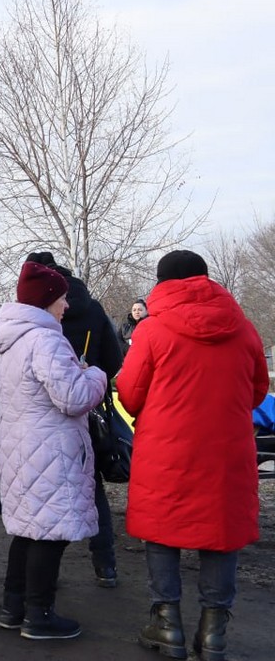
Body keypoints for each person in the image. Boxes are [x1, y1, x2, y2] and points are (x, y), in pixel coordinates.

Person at [117, 250, 268, 661]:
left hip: (166, 451)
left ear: (162, 285)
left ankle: (167, 625)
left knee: (162, 530)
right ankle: (214, 629)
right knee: (221, 533)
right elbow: (256, 391)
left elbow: (129, 395)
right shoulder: (244, 329)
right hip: (227, 450)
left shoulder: (151, 331)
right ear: (207, 279)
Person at [0, 261, 107, 641]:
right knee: (49, 533)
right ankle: (39, 615)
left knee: (27, 530)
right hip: (48, 449)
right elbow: (73, 398)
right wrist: (95, 374)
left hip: (19, 447)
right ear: (47, 301)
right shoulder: (45, 339)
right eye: (62, 299)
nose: (66, 306)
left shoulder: (11, 340)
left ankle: (14, 606)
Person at [26, 250, 124, 588]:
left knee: (42, 490)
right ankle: (105, 565)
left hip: (40, 417)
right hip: (88, 413)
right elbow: (114, 360)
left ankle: (44, 576)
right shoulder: (92, 308)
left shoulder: (31, 312)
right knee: (92, 486)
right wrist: (90, 377)